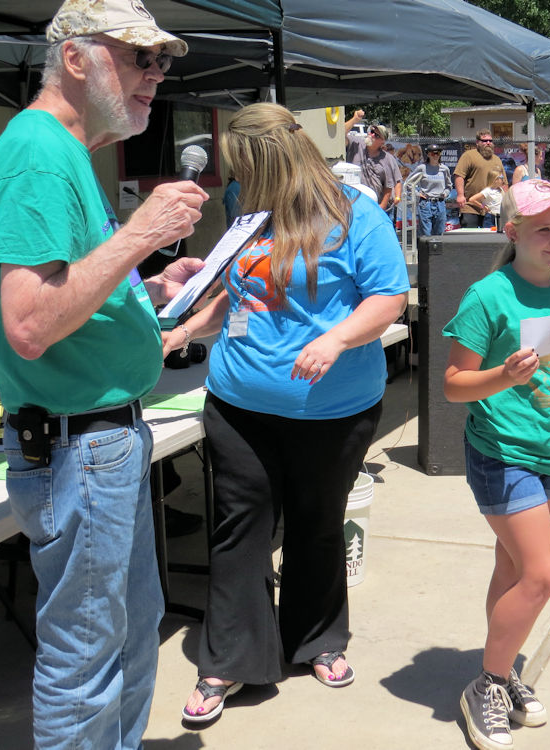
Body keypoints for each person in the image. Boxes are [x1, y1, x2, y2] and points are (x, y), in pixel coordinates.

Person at [0, 2, 209, 747]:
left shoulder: (66, 152)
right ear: (76, 58)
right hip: (79, 447)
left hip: (99, 443)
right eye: (139, 56)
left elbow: (73, 287)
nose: (156, 74)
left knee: (129, 634)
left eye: (162, 61)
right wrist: (142, 233)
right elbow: (29, 322)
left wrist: (150, 288)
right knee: (87, 658)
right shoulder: (39, 154)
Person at [176, 103, 409, 722]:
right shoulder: (249, 214)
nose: (238, 181)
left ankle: (317, 640)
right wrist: (185, 331)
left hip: (334, 410)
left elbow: (389, 297)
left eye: (244, 168)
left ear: (271, 161)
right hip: (238, 405)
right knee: (240, 528)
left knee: (317, 522)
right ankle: (229, 659)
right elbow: (237, 292)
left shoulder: (355, 214)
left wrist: (336, 339)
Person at [442, 179, 550, 750]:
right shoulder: (488, 296)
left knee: (514, 568)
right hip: (502, 451)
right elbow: (453, 386)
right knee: (543, 576)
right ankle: (489, 684)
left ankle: (501, 668)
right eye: (542, 228)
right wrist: (503, 375)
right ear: (511, 231)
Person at [344, 111, 396, 214]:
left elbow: (388, 187)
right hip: (353, 205)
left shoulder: (387, 159)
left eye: (376, 135)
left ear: (382, 141)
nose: (371, 135)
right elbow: (340, 134)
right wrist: (355, 119)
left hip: (374, 206)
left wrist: (381, 208)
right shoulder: (356, 144)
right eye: (371, 131)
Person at [455, 130, 507, 228]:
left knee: (491, 236)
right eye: (484, 141)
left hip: (491, 211)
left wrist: (506, 201)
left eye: (490, 141)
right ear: (477, 142)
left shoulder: (497, 159)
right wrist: (460, 195)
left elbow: (504, 183)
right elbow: (459, 175)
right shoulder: (469, 156)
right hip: (471, 207)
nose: (488, 143)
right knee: (470, 235)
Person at [410, 144, 452, 236]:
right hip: (426, 203)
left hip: (440, 203)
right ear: (428, 154)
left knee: (440, 232)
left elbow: (449, 186)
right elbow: (409, 183)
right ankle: (425, 245)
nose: (435, 156)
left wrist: (445, 193)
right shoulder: (422, 168)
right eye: (433, 154)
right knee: (426, 233)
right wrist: (417, 193)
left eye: (438, 153)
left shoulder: (444, 169)